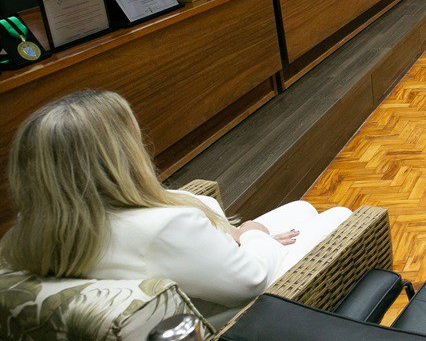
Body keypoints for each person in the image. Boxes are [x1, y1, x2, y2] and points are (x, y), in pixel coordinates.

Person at [1, 91, 353, 325]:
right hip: (230, 319)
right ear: (119, 155)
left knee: (302, 209)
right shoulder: (162, 228)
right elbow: (251, 281)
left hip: (194, 281)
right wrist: (253, 236)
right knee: (341, 218)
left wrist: (227, 234)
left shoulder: (30, 233)